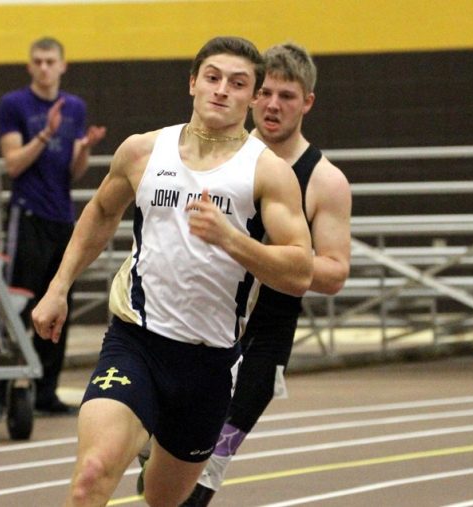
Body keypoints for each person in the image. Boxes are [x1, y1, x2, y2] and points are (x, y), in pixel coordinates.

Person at [31, 36, 314, 506]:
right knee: (92, 476)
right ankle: (136, 425)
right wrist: (58, 287)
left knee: (165, 501)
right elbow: (101, 213)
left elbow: (300, 270)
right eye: (213, 77)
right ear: (193, 83)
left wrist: (231, 239)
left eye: (238, 83)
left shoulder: (266, 173)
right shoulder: (143, 151)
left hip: (209, 362)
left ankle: (152, 446)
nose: (222, 90)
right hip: (135, 341)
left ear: (252, 95)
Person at [180, 42, 352, 506]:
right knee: (171, 461)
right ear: (252, 94)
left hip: (264, 343)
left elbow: (335, 274)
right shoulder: (219, 154)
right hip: (197, 321)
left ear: (308, 102)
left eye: (288, 96)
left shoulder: (325, 180)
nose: (273, 105)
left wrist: (265, 254)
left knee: (205, 475)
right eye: (267, 93)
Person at [0, 36, 106, 420]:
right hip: (28, 215)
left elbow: (72, 172)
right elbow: (13, 164)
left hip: (63, 218)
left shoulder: (75, 107)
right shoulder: (14, 104)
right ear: (29, 66)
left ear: (63, 65)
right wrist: (46, 133)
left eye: (51, 61)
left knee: (57, 303)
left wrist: (84, 148)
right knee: (19, 305)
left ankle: (46, 392)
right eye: (38, 61)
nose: (44, 67)